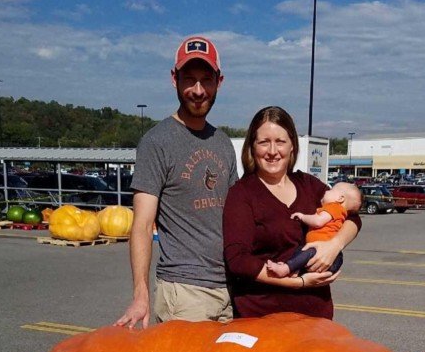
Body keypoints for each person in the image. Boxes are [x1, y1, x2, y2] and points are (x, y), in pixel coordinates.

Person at [115, 35, 238, 328]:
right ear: (174, 79)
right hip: (184, 293)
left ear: (219, 82)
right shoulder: (157, 142)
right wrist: (140, 294)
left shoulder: (223, 143)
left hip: (230, 290)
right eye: (189, 80)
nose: (198, 90)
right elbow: (143, 224)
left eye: (206, 80)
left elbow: (237, 214)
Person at [223, 106, 361, 319]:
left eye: (280, 141)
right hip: (261, 315)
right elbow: (238, 260)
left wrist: (335, 245)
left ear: (292, 146)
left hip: (315, 316)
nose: (272, 151)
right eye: (263, 142)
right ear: (252, 147)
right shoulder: (242, 194)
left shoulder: (309, 185)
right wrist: (298, 282)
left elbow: (352, 216)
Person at [266, 181, 362, 278]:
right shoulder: (338, 211)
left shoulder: (334, 207)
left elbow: (318, 221)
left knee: (305, 252)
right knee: (300, 250)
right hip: (327, 258)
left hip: (322, 253)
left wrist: (302, 217)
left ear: (340, 198)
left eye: (331, 190)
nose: (326, 191)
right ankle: (294, 269)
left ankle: (286, 268)